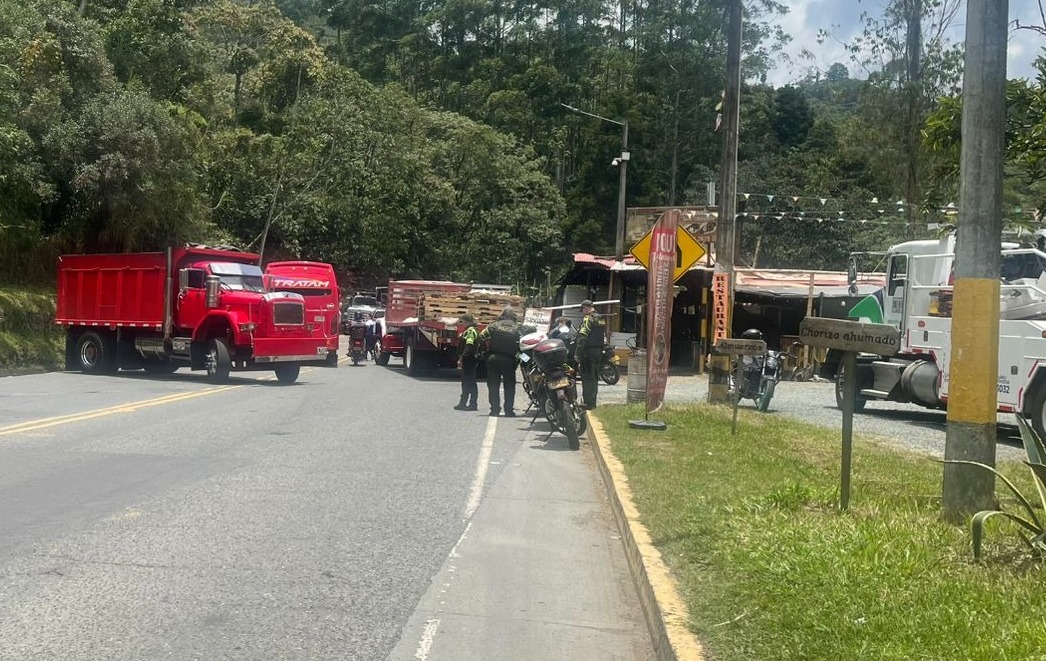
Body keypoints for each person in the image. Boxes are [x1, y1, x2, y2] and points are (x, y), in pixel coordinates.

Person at [479, 306, 522, 417]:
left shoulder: (493, 326)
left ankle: (494, 410)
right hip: (509, 360)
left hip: (493, 358)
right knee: (509, 386)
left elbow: (481, 337)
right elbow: (525, 342)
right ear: (513, 316)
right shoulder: (518, 327)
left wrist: (484, 349)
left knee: (493, 386)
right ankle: (508, 411)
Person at [574, 300, 606, 410]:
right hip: (598, 352)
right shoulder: (600, 318)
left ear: (586, 308)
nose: (582, 312)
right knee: (594, 377)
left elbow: (583, 336)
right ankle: (592, 402)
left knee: (587, 377)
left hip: (588, 353)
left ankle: (588, 402)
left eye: (582, 310)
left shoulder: (588, 319)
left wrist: (577, 353)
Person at [454, 314, 479, 411]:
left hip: (469, 360)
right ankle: (467, 403)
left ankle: (468, 403)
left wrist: (462, 358)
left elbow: (469, 346)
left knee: (468, 382)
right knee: (469, 382)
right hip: (470, 359)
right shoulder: (471, 331)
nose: (462, 323)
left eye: (462, 321)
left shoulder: (470, 332)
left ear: (467, 321)